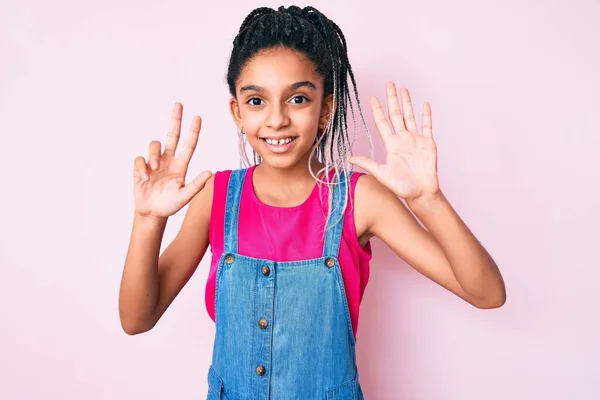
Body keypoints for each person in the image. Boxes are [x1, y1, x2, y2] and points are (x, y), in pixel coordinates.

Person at [118, 5, 506, 399]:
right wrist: (148, 218)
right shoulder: (214, 197)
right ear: (236, 112)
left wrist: (428, 200)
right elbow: (136, 318)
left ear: (325, 109)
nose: (277, 120)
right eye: (257, 101)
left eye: (298, 99)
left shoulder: (360, 199)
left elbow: (487, 293)